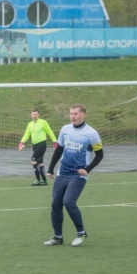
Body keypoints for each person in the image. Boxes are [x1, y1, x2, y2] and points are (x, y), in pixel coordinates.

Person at [44, 104, 104, 247]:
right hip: (62, 173)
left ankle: (81, 232)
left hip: (78, 175)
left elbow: (100, 155)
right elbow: (59, 150)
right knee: (55, 204)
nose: (72, 116)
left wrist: (87, 169)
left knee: (68, 202)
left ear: (83, 115)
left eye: (76, 114)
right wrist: (51, 169)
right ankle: (57, 237)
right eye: (71, 114)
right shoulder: (65, 129)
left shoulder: (91, 133)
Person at [19, 109, 57, 186]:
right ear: (31, 115)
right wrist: (21, 142)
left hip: (41, 144)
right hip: (35, 145)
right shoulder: (30, 124)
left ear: (38, 115)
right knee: (40, 163)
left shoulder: (43, 122)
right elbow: (27, 134)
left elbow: (49, 131)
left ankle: (38, 180)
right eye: (33, 114)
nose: (34, 116)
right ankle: (44, 181)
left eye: (36, 114)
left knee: (33, 161)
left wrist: (54, 141)